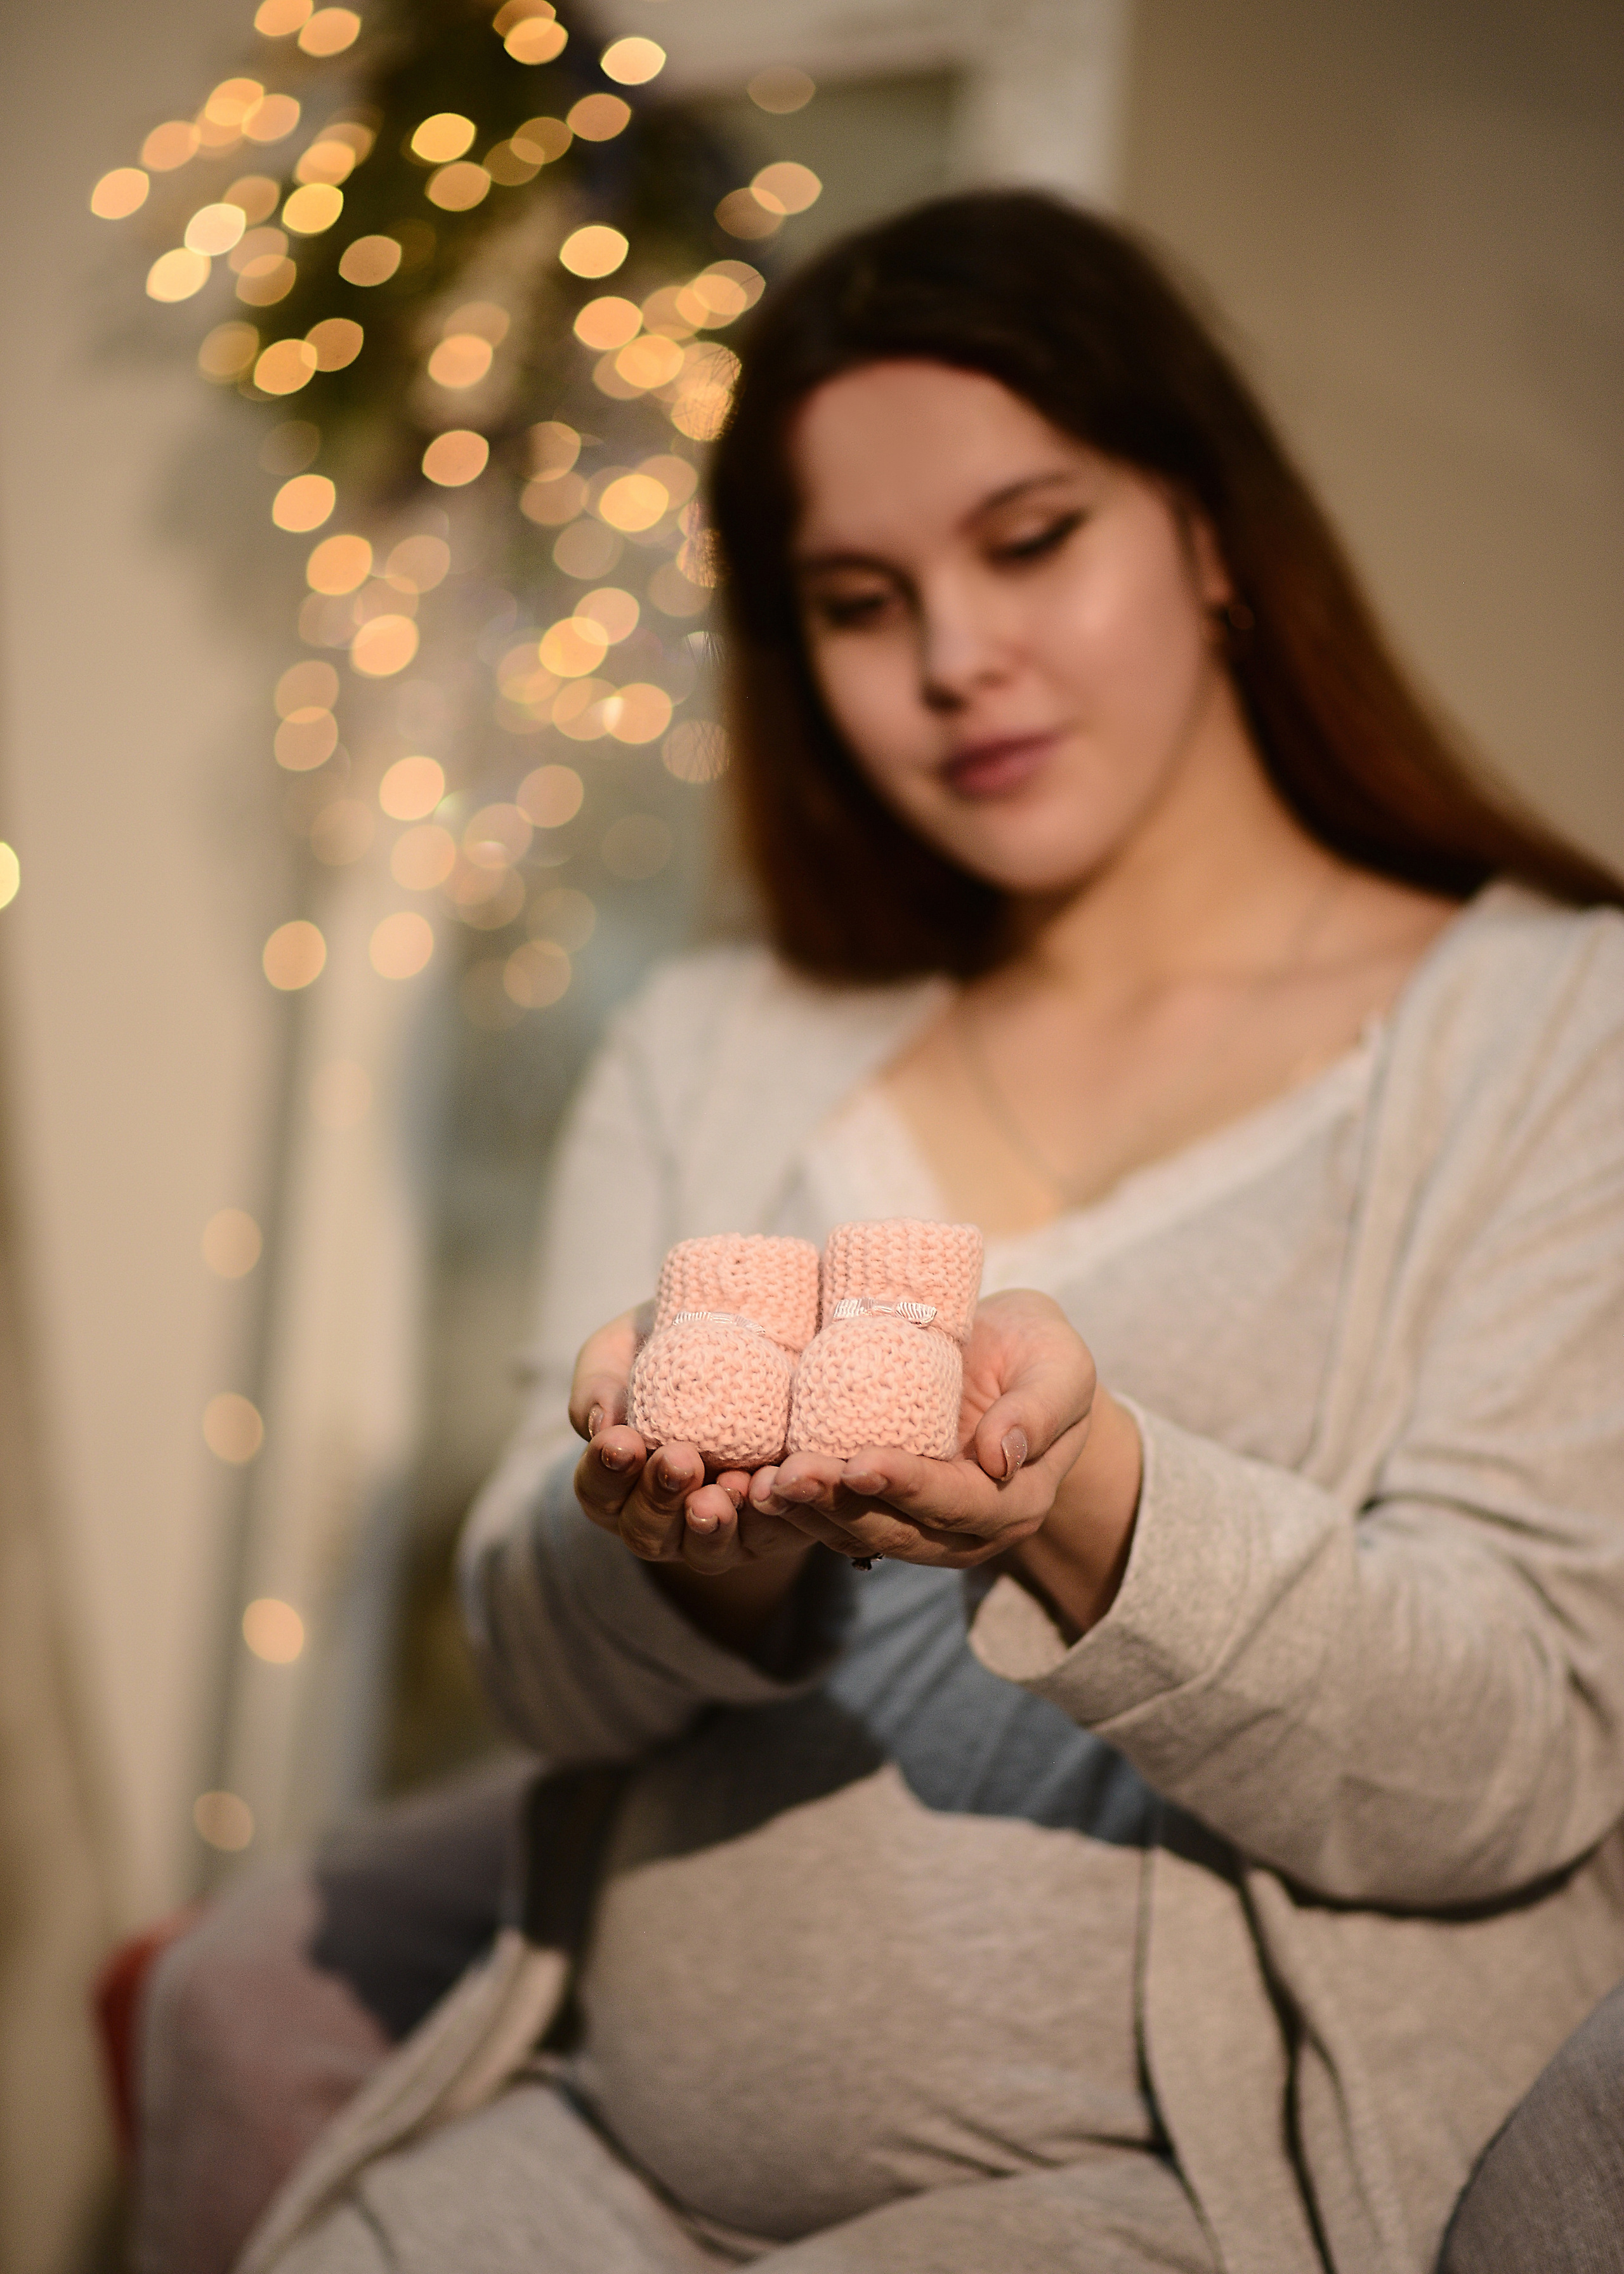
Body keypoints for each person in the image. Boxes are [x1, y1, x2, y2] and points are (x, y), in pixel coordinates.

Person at [143, 191, 1624, 2274]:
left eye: (1032, 543)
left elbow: (1518, 1757)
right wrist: (674, 1547)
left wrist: (1080, 1498)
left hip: (1159, 2196)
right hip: (594, 2165)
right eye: (857, 600)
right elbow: (542, 1676)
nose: (954, 661)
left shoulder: (1564, 1029)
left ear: (1208, 532)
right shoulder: (714, 1042)